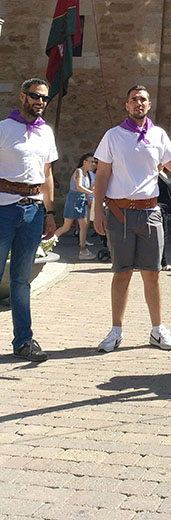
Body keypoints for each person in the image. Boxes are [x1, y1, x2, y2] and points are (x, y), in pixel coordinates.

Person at [93, 84, 171, 353]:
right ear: (126, 105)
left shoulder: (158, 134)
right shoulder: (112, 136)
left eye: (143, 100)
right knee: (122, 273)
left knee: (153, 274)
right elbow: (102, 175)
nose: (139, 103)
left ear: (149, 105)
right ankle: (116, 330)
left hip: (150, 212)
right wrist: (96, 212)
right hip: (119, 213)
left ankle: (157, 330)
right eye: (134, 99)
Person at [0, 78, 58, 362]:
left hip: (34, 211)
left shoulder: (46, 132)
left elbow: (47, 175)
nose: (40, 102)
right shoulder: (3, 129)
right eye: (35, 96)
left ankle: (23, 341)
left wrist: (49, 213)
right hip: (3, 208)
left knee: (21, 280)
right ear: (23, 97)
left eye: (44, 98)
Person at [55, 152, 96, 259]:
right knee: (66, 226)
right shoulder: (79, 171)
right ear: (85, 162)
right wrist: (91, 193)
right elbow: (79, 187)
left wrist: (88, 198)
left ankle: (83, 250)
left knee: (83, 225)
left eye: (94, 162)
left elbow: (86, 190)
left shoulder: (88, 174)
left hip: (81, 201)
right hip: (74, 200)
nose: (93, 164)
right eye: (91, 162)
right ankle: (48, 242)